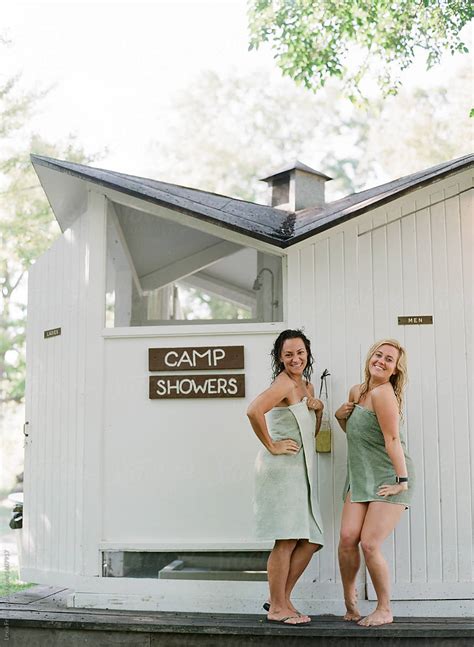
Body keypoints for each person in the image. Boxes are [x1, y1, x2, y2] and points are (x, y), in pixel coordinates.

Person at [247, 329, 325, 626]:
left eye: (300, 352)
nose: (295, 358)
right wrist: (272, 445)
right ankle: (278, 606)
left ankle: (280, 599)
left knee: (311, 540)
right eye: (288, 354)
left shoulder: (306, 385)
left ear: (308, 354)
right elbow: (254, 411)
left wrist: (318, 411)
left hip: (299, 470)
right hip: (281, 470)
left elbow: (312, 435)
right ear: (280, 358)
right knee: (287, 539)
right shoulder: (282, 383)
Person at [335, 339, 415, 627]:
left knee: (369, 543)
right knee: (347, 539)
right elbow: (358, 434)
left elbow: (392, 440)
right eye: (378, 355)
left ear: (394, 370)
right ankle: (350, 601)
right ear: (370, 357)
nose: (381, 361)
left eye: (389, 360)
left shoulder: (384, 394)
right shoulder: (358, 391)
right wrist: (340, 418)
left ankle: (384, 609)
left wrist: (401, 481)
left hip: (388, 475)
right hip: (359, 475)